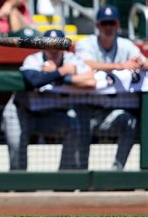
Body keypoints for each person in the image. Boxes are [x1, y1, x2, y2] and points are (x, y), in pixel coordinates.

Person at [12, 29, 96, 170]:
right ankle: (19, 183)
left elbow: (91, 81)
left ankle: (64, 178)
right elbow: (34, 80)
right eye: (49, 44)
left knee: (74, 127)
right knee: (16, 146)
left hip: (51, 115)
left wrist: (59, 75)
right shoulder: (33, 60)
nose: (54, 48)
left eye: (58, 44)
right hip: (23, 113)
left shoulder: (71, 59)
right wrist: (62, 71)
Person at [75, 5, 147, 170]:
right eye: (104, 23)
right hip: (86, 107)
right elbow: (84, 63)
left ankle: (117, 171)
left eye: (111, 23)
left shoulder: (125, 44)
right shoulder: (86, 42)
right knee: (78, 126)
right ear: (97, 25)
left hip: (113, 110)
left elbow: (143, 61)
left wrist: (142, 63)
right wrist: (119, 66)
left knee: (130, 122)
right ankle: (80, 176)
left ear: (117, 25)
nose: (108, 27)